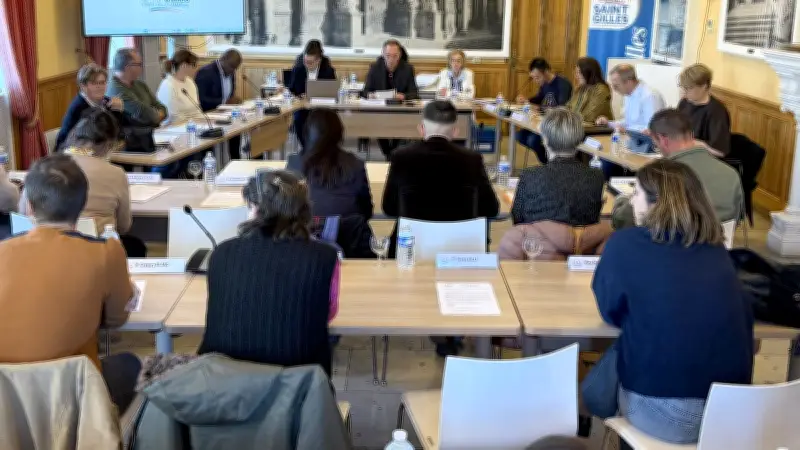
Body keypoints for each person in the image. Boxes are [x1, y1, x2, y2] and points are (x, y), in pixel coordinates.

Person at [585, 159, 754, 445]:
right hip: (730, 412)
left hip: (665, 411)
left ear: (655, 203)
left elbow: (610, 311)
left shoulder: (625, 243)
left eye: (636, 193)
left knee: (615, 359)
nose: (631, 200)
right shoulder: (717, 250)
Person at [0, 154, 142, 413]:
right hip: (73, 393)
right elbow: (117, 319)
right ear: (82, 204)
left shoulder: (3, 251)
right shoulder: (106, 252)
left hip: (8, 400)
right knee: (132, 365)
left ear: (29, 206)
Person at [382, 100, 499, 356]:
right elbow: (491, 209)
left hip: (412, 252)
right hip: (463, 252)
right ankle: (453, 329)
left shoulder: (401, 157)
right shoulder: (472, 159)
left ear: (421, 129)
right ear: (455, 131)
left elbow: (389, 208)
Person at [198, 169, 339, 377]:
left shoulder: (222, 252)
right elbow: (329, 312)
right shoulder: (325, 257)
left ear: (255, 208)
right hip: (299, 382)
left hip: (223, 382)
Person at [21, 110, 146, 257]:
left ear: (74, 134)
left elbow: (23, 213)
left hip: (45, 248)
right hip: (98, 248)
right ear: (109, 144)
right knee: (136, 246)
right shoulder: (116, 173)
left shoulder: (44, 168)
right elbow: (123, 226)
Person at [612, 109, 742, 229]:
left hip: (670, 243)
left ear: (663, 140)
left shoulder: (660, 175)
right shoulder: (731, 174)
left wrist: (623, 199)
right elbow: (736, 219)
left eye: (656, 144)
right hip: (718, 243)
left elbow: (622, 219)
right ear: (691, 135)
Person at [511, 108, 604, 226]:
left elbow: (517, 217)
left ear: (545, 140)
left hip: (537, 237)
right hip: (581, 238)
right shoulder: (596, 176)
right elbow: (593, 218)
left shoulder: (529, 176)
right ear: (579, 140)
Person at [286, 108, 373, 219]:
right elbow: (367, 211)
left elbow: (286, 208)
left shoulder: (293, 164)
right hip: (346, 228)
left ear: (306, 133)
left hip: (304, 228)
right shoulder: (356, 165)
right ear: (340, 133)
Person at [595, 63, 666, 179]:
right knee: (605, 159)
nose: (614, 89)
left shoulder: (649, 95)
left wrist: (627, 129)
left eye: (616, 85)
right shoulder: (629, 95)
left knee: (608, 164)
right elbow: (629, 122)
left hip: (649, 149)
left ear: (628, 82)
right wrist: (608, 123)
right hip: (634, 144)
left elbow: (652, 129)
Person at [363, 39, 420, 160]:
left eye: (395, 56)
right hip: (380, 111)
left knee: (402, 124)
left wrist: (404, 96)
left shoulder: (407, 68)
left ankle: (392, 154)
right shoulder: (375, 67)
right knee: (377, 123)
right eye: (388, 56)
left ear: (400, 55)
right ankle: (389, 154)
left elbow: (414, 93)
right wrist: (371, 95)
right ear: (383, 54)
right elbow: (365, 91)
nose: (391, 60)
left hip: (400, 111)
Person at [55, 63, 126, 152]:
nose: (99, 86)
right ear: (83, 86)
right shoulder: (78, 107)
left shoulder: (107, 101)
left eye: (102, 82)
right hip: (73, 153)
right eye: (94, 83)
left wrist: (118, 111)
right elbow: (65, 143)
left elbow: (117, 134)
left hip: (100, 151)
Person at [515, 57, 573, 165]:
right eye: (533, 78)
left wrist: (539, 108)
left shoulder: (563, 84)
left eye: (537, 77)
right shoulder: (544, 84)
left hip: (557, 124)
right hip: (542, 122)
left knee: (533, 140)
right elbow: (539, 98)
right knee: (519, 136)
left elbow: (562, 107)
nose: (536, 81)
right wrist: (526, 100)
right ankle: (547, 163)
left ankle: (551, 165)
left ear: (546, 72)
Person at [195, 49, 243, 159]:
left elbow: (230, 94)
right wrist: (223, 102)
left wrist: (234, 101)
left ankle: (236, 160)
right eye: (231, 66)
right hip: (208, 116)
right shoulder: (206, 72)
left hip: (226, 114)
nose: (233, 70)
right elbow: (201, 99)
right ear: (223, 59)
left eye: (235, 68)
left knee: (237, 128)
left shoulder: (231, 72)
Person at [287, 40, 337, 147]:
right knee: (298, 118)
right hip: (303, 107)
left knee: (325, 121)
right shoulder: (298, 69)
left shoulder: (328, 70)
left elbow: (332, 91)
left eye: (310, 62)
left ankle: (320, 148)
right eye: (305, 61)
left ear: (318, 60)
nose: (307, 64)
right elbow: (292, 90)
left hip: (321, 107)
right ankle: (306, 148)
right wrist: (300, 96)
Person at [677, 63, 731, 157]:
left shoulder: (716, 112)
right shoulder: (684, 103)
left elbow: (720, 152)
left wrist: (697, 144)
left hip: (703, 158)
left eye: (689, 88)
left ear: (704, 86)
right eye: (683, 87)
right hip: (683, 153)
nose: (684, 92)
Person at [106, 48, 167, 127]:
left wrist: (157, 115)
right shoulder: (115, 89)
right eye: (139, 64)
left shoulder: (141, 84)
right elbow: (145, 115)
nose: (141, 68)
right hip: (135, 133)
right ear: (127, 67)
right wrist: (156, 115)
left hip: (154, 131)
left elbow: (162, 108)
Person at [155, 49, 200, 125]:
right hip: (172, 127)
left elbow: (197, 109)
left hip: (191, 124)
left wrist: (203, 122)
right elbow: (173, 117)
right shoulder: (168, 85)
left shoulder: (190, 82)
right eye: (194, 65)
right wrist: (193, 124)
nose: (197, 69)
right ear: (184, 65)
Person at [566, 57, 613, 125]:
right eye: (576, 72)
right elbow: (569, 107)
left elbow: (590, 116)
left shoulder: (601, 89)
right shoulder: (579, 89)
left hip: (596, 129)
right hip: (578, 126)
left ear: (589, 72)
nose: (576, 76)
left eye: (579, 72)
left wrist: (570, 118)